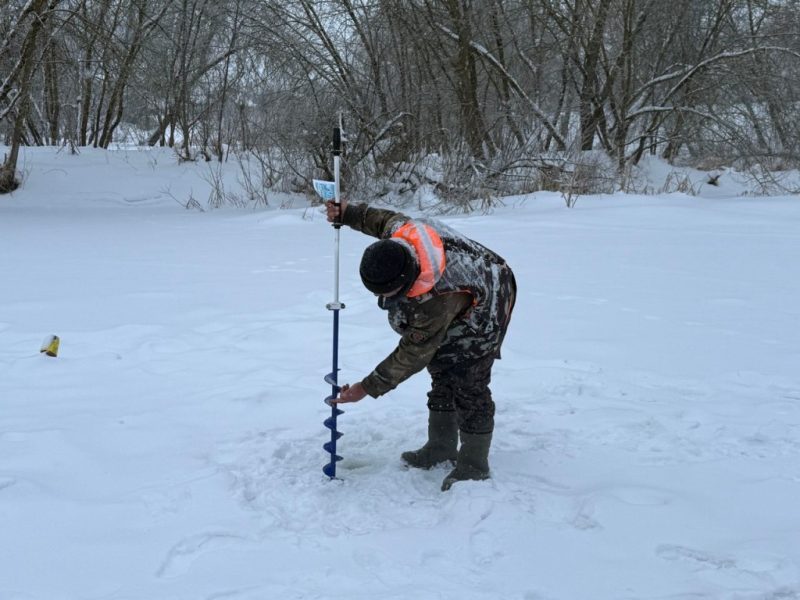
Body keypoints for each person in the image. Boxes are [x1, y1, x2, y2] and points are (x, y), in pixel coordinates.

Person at [326, 200, 516, 491]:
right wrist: (347, 213)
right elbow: (381, 219)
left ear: (407, 279)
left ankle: (474, 466)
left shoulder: (437, 302)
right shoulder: (402, 235)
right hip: (464, 280)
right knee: (441, 368)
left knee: (467, 378)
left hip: (489, 295)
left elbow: (413, 353)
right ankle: (440, 446)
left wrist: (365, 388)